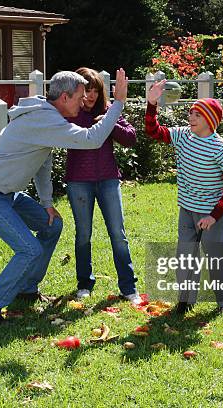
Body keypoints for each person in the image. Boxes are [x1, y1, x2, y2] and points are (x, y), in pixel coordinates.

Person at [0, 69, 129, 324]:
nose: (84, 101)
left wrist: (47, 204)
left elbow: (43, 163)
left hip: (6, 193)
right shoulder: (44, 119)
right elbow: (92, 139)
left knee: (52, 225)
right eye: (79, 97)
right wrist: (118, 102)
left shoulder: (47, 117)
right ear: (64, 97)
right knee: (28, 249)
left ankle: (27, 289)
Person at [145, 80, 223, 314]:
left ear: (210, 120)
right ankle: (186, 301)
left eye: (197, 114)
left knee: (216, 258)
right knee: (185, 257)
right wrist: (151, 104)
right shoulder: (182, 136)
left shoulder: (222, 149)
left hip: (211, 214)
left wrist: (214, 216)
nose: (191, 117)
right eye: (190, 112)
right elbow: (154, 131)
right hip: (187, 210)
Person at [65, 67, 141, 304]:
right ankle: (84, 283)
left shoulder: (109, 111)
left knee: (118, 234)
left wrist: (109, 123)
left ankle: (129, 288)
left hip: (108, 180)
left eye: (95, 91)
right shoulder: (69, 113)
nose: (90, 96)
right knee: (84, 234)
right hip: (78, 181)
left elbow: (130, 138)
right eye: (86, 91)